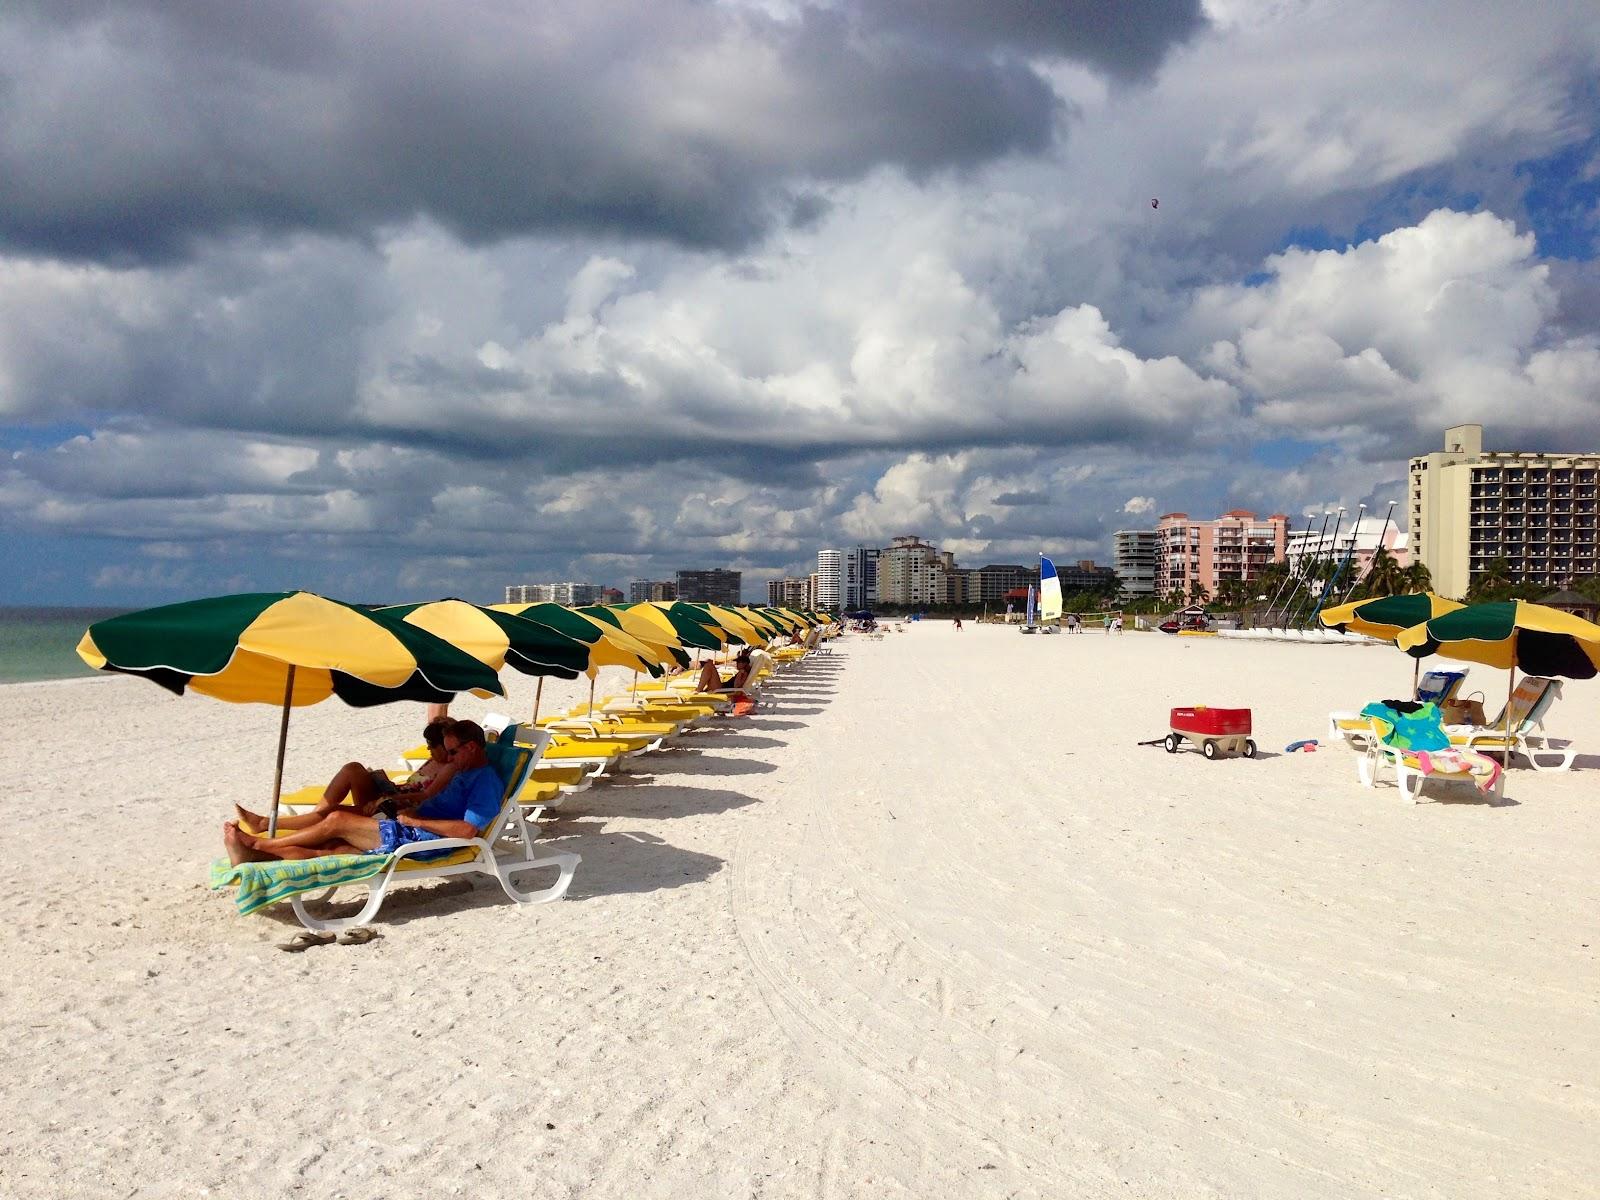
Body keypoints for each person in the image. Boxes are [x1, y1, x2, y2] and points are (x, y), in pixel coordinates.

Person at [224, 721, 502, 864]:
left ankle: (258, 845)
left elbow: (468, 832)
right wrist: (404, 805)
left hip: (427, 839)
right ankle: (256, 855)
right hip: (411, 825)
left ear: (471, 747)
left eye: (453, 752)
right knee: (332, 848)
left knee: (336, 822)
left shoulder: (485, 781)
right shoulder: (463, 771)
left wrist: (416, 821)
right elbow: (432, 800)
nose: (449, 758)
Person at [236, 718, 459, 833]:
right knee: (353, 768)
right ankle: (312, 817)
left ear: (446, 744)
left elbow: (425, 797)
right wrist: (387, 785)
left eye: (431, 745)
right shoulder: (433, 761)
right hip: (389, 798)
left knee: (333, 813)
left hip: (395, 811)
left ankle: (266, 824)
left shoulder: (449, 767)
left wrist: (387, 798)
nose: (428, 749)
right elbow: (415, 788)